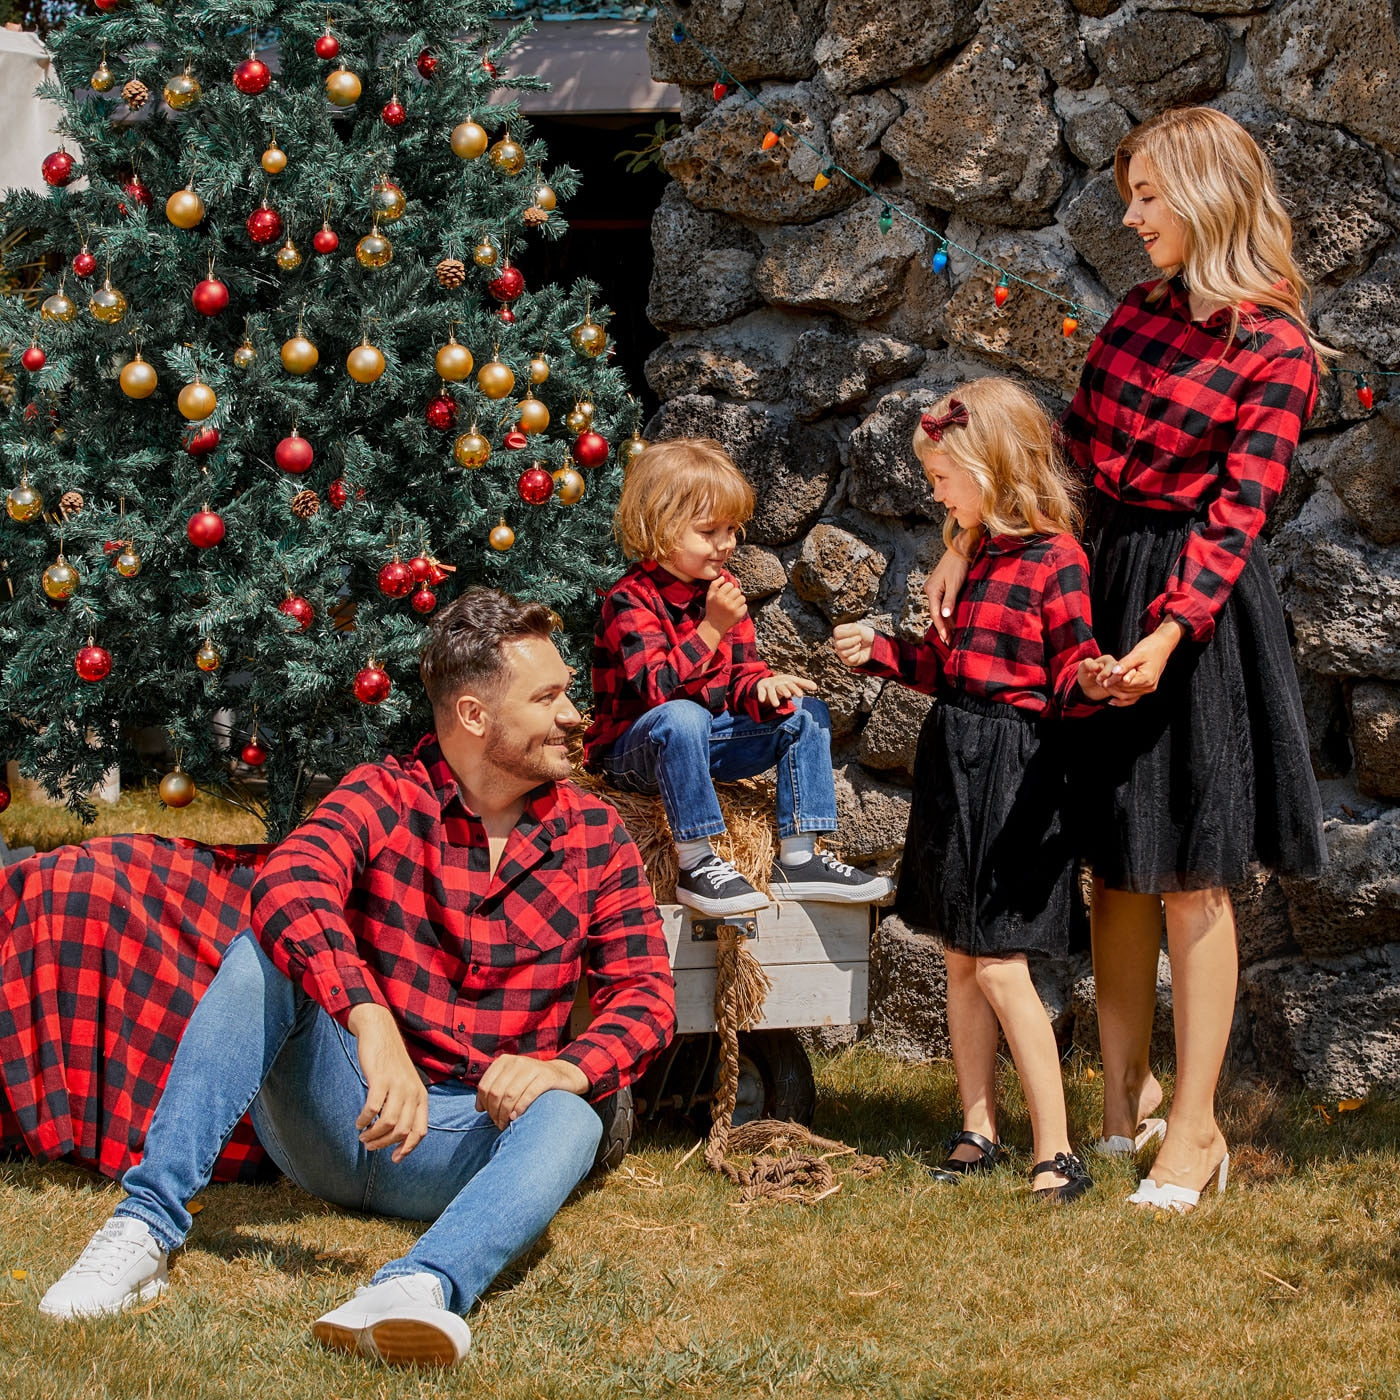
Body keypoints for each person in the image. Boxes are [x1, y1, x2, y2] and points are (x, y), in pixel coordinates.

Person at [39, 588, 677, 1367]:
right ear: (475, 716)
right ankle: (144, 1229)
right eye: (547, 697)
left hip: (468, 1145)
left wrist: (560, 1066)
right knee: (265, 953)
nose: (572, 713)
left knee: (575, 1110)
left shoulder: (594, 834)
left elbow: (646, 995)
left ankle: (420, 1287)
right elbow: (288, 885)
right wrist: (370, 1020)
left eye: (566, 692)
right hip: (341, 1117)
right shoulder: (384, 793)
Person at [923, 107, 1327, 1213]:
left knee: (1193, 869)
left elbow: (1236, 515)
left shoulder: (1275, 347)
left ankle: (1194, 1130)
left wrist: (1159, 637)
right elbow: (1064, 458)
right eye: (1129, 193)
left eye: (1148, 194)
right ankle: (1121, 1103)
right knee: (1111, 856)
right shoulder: (1136, 318)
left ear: (1204, 195)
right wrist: (964, 538)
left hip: (1197, 614)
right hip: (1102, 579)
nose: (1130, 213)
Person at [833, 379, 1115, 1202]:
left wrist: (1092, 681)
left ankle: (1058, 1150)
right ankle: (976, 1125)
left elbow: (1066, 672)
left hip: (1021, 773)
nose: (935, 493)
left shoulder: (1057, 559)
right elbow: (955, 670)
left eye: (942, 478)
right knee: (961, 954)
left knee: (999, 962)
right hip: (956, 756)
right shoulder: (976, 555)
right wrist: (882, 652)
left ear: (990, 466)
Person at [585, 437, 891, 916]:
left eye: (732, 529)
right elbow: (657, 693)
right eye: (710, 531)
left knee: (804, 713)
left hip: (703, 741)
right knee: (683, 716)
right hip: (635, 754)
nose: (727, 543)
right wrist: (710, 628)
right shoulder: (630, 599)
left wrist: (762, 688)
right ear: (661, 529)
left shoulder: (724, 592)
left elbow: (741, 676)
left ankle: (798, 857)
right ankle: (696, 861)